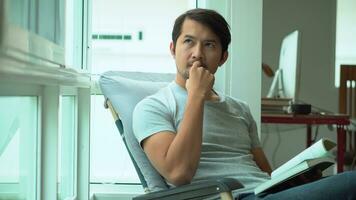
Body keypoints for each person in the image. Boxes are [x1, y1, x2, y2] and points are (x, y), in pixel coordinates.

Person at [132, 8, 356, 200]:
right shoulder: (152, 107)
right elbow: (179, 173)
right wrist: (196, 96)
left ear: (223, 57)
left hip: (262, 192)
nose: (197, 54)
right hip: (229, 196)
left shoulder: (239, 108)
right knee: (350, 183)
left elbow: (268, 175)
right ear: (173, 48)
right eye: (188, 41)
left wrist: (297, 178)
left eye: (209, 45)